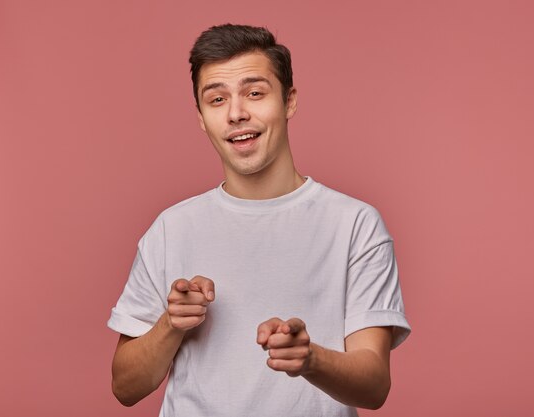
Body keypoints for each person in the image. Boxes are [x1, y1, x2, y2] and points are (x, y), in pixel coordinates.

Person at [107, 23, 411, 417]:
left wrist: (311, 359)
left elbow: (374, 387)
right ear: (201, 117)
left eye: (254, 93)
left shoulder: (355, 225)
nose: (236, 113)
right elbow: (125, 387)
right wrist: (171, 324)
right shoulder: (170, 229)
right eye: (216, 100)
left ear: (289, 101)